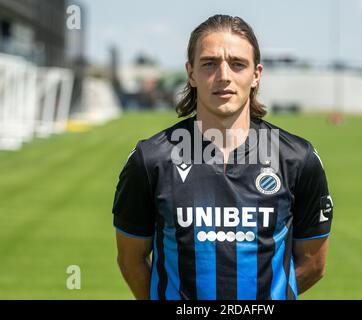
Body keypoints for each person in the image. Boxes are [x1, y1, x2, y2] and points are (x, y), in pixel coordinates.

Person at [112, 14, 333, 300]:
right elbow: (131, 260)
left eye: (238, 64)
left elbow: (313, 264)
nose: (224, 76)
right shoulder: (150, 159)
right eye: (209, 63)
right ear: (191, 73)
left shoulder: (298, 159)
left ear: (256, 75)